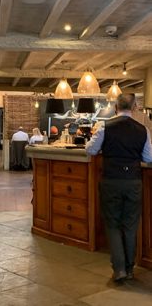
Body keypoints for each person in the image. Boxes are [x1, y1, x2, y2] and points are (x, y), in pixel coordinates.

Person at [86, 93, 152, 282]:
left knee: (113, 224)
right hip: (133, 181)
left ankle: (120, 269)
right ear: (134, 107)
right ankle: (130, 269)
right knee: (130, 226)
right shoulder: (143, 130)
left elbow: (90, 150)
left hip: (111, 181)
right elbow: (148, 158)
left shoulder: (104, 127)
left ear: (116, 107)